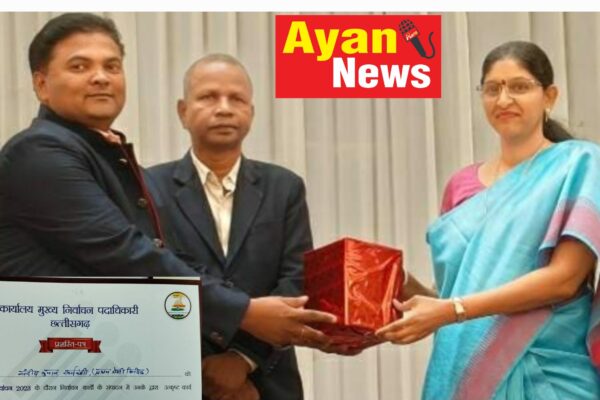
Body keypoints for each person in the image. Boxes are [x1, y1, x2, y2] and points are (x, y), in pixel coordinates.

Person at [0, 13, 335, 364]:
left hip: (116, 363)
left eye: (112, 66)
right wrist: (245, 312)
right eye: (80, 66)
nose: (100, 77)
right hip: (59, 366)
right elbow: (124, 254)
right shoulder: (39, 152)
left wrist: (243, 353)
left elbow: (165, 254)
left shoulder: (103, 154)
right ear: (42, 84)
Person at [376, 40, 600, 399]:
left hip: (553, 376)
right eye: (492, 89)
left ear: (549, 96)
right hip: (470, 376)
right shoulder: (460, 186)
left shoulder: (579, 164)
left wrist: (451, 310)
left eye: (520, 87)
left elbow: (564, 279)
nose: (504, 99)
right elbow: (455, 298)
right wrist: (397, 282)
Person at [149, 53, 341, 400]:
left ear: (251, 112)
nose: (224, 109)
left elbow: (296, 280)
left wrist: (242, 359)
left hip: (269, 379)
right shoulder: (149, 189)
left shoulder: (284, 187)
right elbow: (157, 282)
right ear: (183, 111)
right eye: (208, 97)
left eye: (236, 99)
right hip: (180, 378)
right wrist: (208, 371)